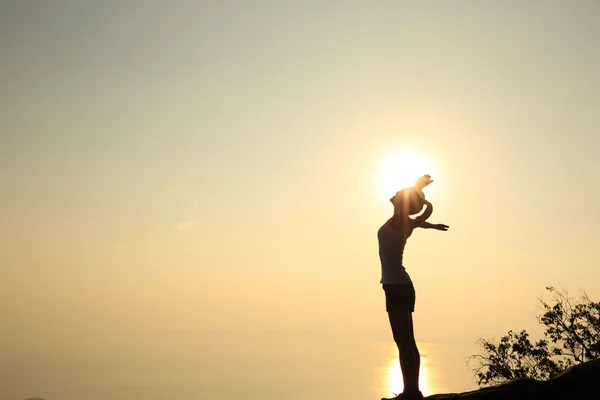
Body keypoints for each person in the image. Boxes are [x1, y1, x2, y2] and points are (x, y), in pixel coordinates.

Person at [378, 174, 449, 400]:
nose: (396, 193)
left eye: (400, 194)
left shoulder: (401, 221)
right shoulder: (403, 222)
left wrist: (418, 188)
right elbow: (421, 221)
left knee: (403, 342)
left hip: (397, 287)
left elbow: (417, 217)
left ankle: (410, 393)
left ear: (403, 203)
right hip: (401, 286)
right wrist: (431, 221)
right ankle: (413, 391)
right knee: (408, 341)